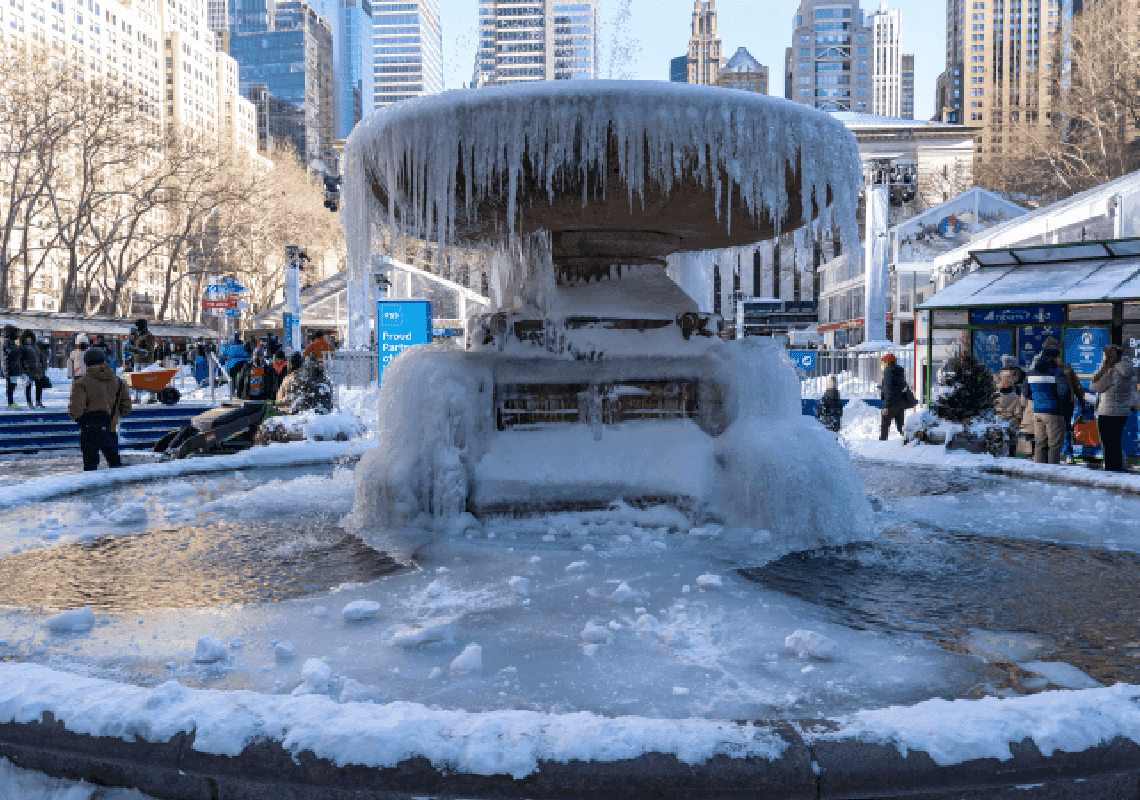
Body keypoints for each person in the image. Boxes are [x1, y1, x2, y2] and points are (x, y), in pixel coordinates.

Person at [68, 348, 132, 471]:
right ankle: (118, 489)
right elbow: (127, 408)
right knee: (115, 465)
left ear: (86, 363)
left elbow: (76, 410)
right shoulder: (118, 382)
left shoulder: (81, 382)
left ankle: (92, 490)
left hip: (89, 430)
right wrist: (113, 416)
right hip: (110, 428)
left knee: (90, 467)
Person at [1089, 343, 1135, 473]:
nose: (1102, 357)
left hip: (1108, 412)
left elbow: (1095, 387)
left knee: (1108, 444)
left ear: (1109, 356)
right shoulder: (1126, 369)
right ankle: (1118, 469)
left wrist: (1099, 372)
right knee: (1115, 442)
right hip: (1123, 412)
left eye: (1104, 354)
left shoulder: (1111, 371)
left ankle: (1111, 471)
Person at [1027, 340, 1071, 465]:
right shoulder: (1058, 372)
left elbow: (1026, 393)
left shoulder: (1032, 372)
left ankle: (1039, 472)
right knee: (1054, 444)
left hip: (1037, 411)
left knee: (1040, 443)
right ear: (1054, 357)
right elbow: (1064, 393)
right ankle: (1052, 472)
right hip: (1054, 412)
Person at [878, 352, 910, 441]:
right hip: (900, 403)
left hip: (890, 404)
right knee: (901, 427)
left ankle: (882, 446)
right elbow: (901, 386)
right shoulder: (899, 372)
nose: (883, 364)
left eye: (884, 362)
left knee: (884, 426)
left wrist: (886, 406)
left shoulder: (888, 372)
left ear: (888, 362)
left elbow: (888, 390)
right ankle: (909, 441)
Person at [993, 374, 1025, 457]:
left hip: (998, 422)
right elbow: (1018, 413)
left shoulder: (996, 396)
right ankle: (1011, 455)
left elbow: (993, 410)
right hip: (1011, 423)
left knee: (997, 442)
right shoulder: (1016, 398)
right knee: (1012, 443)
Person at [18, 330, 47, 409]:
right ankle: (29, 403)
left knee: (39, 386)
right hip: (28, 370)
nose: (29, 340)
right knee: (28, 387)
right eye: (27, 338)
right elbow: (21, 360)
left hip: (38, 370)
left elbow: (40, 357)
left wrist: (42, 366)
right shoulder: (22, 347)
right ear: (24, 339)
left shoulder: (36, 347)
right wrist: (24, 369)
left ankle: (38, 402)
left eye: (30, 338)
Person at [1, 325, 21, 409]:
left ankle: (11, 403)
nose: (17, 335)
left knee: (12, 386)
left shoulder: (10, 342)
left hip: (12, 368)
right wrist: (19, 349)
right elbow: (11, 353)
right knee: (10, 386)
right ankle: (10, 404)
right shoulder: (7, 342)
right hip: (10, 368)